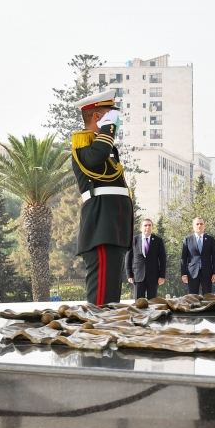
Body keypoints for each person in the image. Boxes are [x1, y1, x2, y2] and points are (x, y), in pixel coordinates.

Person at [70, 90, 133, 307]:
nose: (115, 121)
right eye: (109, 115)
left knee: (111, 300)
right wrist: (107, 129)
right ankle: (95, 338)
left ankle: (106, 337)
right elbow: (95, 158)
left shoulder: (105, 147)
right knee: (101, 303)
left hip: (113, 227)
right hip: (101, 228)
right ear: (97, 117)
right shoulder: (83, 146)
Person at [125, 218, 167, 299]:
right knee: (138, 304)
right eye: (145, 225)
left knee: (153, 303)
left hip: (153, 277)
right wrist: (129, 275)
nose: (147, 227)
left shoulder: (158, 240)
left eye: (149, 225)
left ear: (152, 227)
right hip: (138, 276)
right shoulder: (134, 240)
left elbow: (162, 259)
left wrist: (162, 276)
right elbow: (128, 258)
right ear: (141, 228)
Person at [181, 217, 215, 294]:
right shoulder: (187, 239)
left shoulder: (210, 239)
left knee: (208, 297)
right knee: (192, 298)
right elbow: (183, 259)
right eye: (197, 224)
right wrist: (183, 274)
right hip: (192, 273)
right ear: (193, 226)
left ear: (204, 226)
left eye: (201, 224)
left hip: (207, 273)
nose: (199, 226)